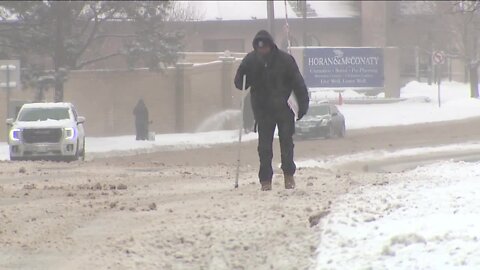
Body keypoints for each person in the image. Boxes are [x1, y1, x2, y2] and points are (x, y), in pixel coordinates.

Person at [234, 30, 309, 191]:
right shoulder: (251, 60)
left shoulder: (285, 60)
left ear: (270, 46)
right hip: (263, 110)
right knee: (264, 147)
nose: (262, 51)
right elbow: (240, 83)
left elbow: (298, 83)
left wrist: (303, 105)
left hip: (284, 109)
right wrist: (241, 75)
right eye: (259, 48)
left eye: (265, 47)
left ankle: (288, 175)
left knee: (287, 143)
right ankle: (265, 180)